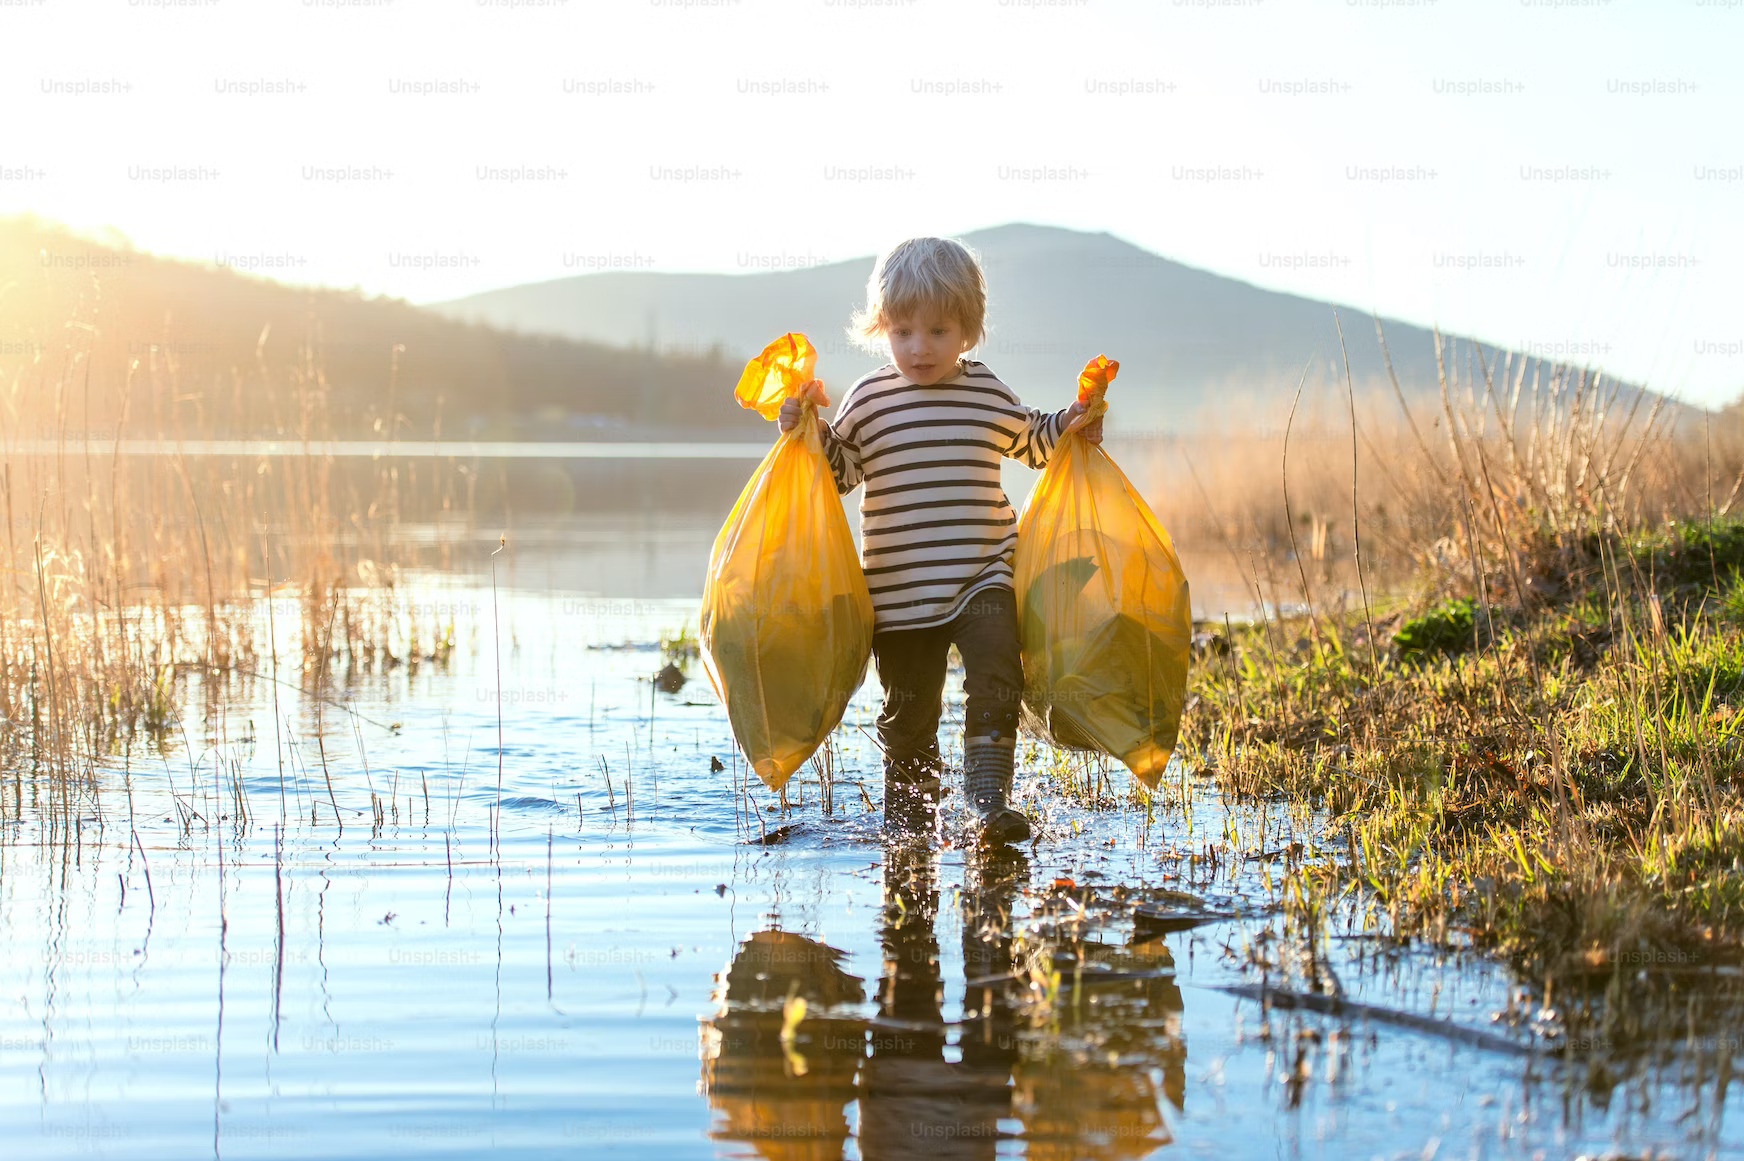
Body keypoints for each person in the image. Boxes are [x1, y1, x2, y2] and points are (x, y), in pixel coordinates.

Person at [777, 236, 1102, 844]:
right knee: (909, 714)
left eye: (937, 330)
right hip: (898, 593)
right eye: (902, 332)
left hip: (984, 573)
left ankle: (987, 799)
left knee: (998, 672)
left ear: (969, 331)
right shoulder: (870, 399)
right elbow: (840, 474)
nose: (919, 347)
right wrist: (807, 431)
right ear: (882, 330)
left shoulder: (985, 392)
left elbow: (1034, 441)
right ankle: (909, 828)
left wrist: (1076, 420)